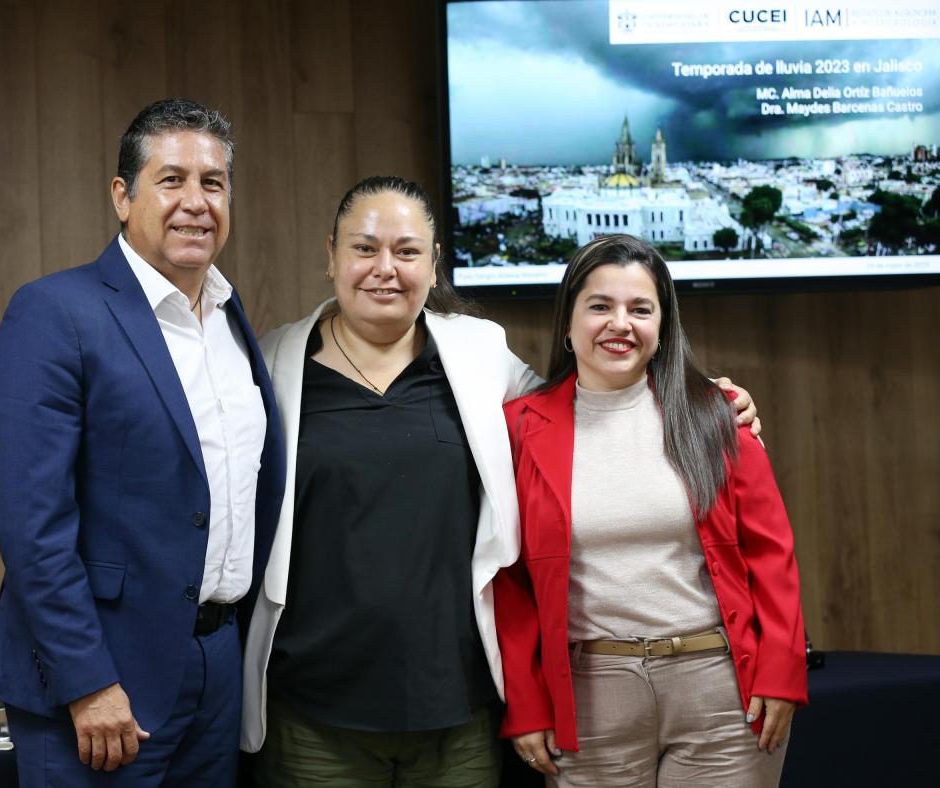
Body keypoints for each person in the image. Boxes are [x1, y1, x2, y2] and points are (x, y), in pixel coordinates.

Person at [240, 178, 759, 787]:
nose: (385, 269)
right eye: (364, 248)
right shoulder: (271, 364)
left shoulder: (481, 355)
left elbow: (581, 411)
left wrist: (704, 404)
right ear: (331, 256)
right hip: (315, 706)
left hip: (457, 705)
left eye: (407, 251)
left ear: (434, 264)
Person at [0, 98, 285, 787]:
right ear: (122, 196)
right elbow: (31, 523)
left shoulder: (229, 316)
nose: (196, 202)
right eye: (171, 180)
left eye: (213, 182)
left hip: (216, 665)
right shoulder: (55, 312)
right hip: (101, 680)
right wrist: (86, 681)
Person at [494, 233, 807, 787]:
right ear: (568, 323)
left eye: (640, 309)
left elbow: (771, 553)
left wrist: (782, 671)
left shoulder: (716, 414)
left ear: (662, 328)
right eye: (600, 306)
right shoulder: (518, 428)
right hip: (590, 694)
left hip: (720, 687)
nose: (621, 324)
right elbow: (510, 581)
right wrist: (526, 701)